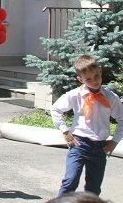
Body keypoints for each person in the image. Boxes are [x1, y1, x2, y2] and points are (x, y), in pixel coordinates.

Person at [50, 54, 123, 197]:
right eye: (88, 79)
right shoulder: (75, 95)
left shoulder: (110, 97)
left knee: (93, 188)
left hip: (100, 147)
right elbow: (55, 109)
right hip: (79, 144)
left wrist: (115, 141)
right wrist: (65, 131)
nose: (94, 81)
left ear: (100, 71)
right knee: (70, 181)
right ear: (80, 79)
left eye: (96, 76)